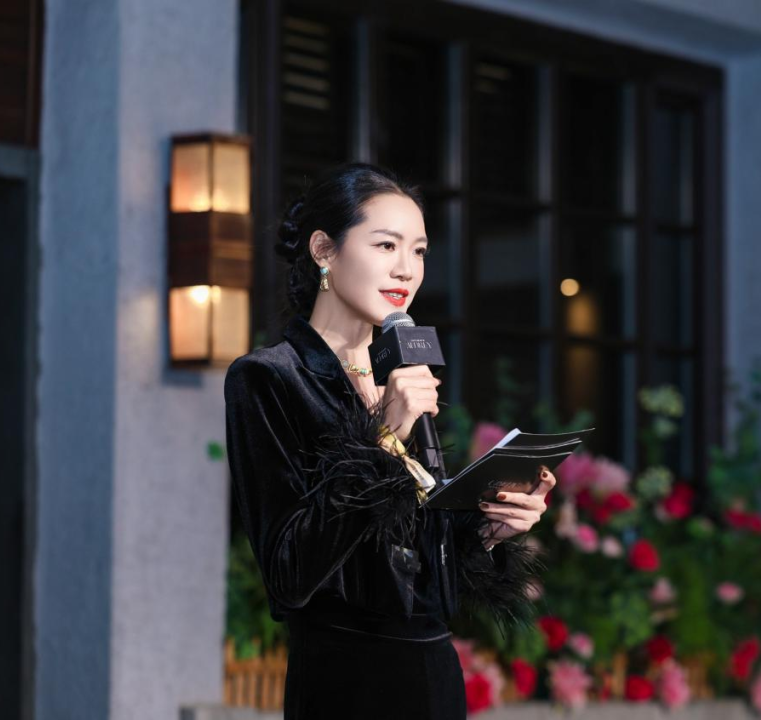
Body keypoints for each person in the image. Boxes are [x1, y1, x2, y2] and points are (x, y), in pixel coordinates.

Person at [223, 162, 555, 719]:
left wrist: (490, 530)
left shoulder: (400, 370)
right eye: (386, 245)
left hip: (433, 674)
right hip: (347, 681)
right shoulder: (269, 378)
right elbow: (289, 574)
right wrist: (382, 437)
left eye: (419, 251)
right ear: (324, 250)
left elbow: (420, 567)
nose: (407, 269)